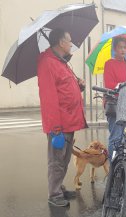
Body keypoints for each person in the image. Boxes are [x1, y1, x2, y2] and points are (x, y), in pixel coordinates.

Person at [37, 28, 87, 207]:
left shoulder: (62, 62)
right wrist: (55, 126)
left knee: (64, 159)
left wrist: (78, 85)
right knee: (56, 160)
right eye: (69, 40)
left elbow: (65, 88)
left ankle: (59, 186)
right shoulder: (47, 63)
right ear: (60, 42)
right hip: (59, 123)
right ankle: (54, 194)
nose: (71, 44)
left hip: (69, 120)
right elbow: (49, 97)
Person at [103, 36, 126, 160]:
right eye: (120, 47)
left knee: (123, 137)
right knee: (115, 136)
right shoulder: (109, 64)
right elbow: (110, 86)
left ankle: (120, 165)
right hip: (114, 104)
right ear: (114, 49)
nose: (122, 50)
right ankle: (113, 166)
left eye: (125, 47)